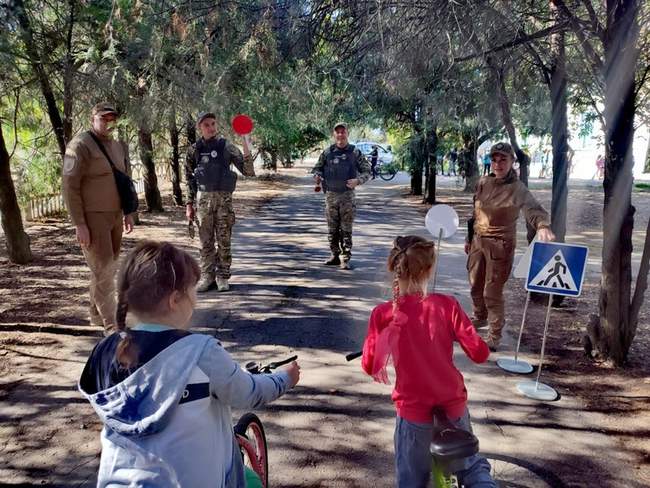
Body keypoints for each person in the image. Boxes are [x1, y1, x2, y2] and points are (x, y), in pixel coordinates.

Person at [78, 241, 300, 487]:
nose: (196, 298)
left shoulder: (104, 352)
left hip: (118, 481)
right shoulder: (199, 352)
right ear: (175, 299)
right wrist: (285, 378)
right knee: (251, 482)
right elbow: (248, 392)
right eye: (193, 290)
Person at [361, 236, 495, 488]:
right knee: (472, 468)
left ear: (395, 267)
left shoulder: (383, 314)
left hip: (413, 416)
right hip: (452, 406)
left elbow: (369, 366)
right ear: (428, 270)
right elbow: (479, 354)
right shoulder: (447, 305)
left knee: (411, 479)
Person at [464, 142, 555, 351]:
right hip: (478, 242)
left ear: (512, 162)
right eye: (494, 159)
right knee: (475, 285)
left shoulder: (517, 188)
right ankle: (479, 317)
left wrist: (542, 226)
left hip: (500, 246)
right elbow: (475, 214)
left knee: (492, 292)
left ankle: (494, 335)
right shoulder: (483, 182)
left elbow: (534, 210)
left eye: (503, 159)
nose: (498, 164)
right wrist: (469, 239)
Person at [62, 102, 135, 334]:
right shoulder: (80, 145)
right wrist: (79, 224)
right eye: (103, 118)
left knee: (106, 268)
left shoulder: (117, 146)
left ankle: (95, 313)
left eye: (111, 119)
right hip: (92, 218)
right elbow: (69, 186)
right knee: (103, 268)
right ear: (92, 118)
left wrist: (129, 212)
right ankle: (112, 325)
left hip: (114, 215)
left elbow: (125, 181)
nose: (107, 123)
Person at [185, 112, 255, 293]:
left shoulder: (226, 147)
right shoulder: (194, 150)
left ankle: (223, 276)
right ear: (200, 127)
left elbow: (248, 170)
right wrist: (189, 204)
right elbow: (189, 180)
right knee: (205, 242)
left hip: (223, 202)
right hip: (203, 203)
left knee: (224, 240)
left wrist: (246, 141)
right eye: (206, 124)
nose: (211, 127)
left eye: (213, 123)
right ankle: (207, 277)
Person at [312, 122, 371, 270]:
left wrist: (358, 181)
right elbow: (317, 169)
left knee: (346, 229)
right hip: (331, 195)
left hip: (347, 196)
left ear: (347, 134)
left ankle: (345, 258)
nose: (340, 135)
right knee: (332, 229)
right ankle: (334, 256)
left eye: (343, 132)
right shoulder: (327, 152)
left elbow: (367, 171)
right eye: (337, 132)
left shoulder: (354, 152)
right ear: (334, 134)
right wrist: (317, 177)